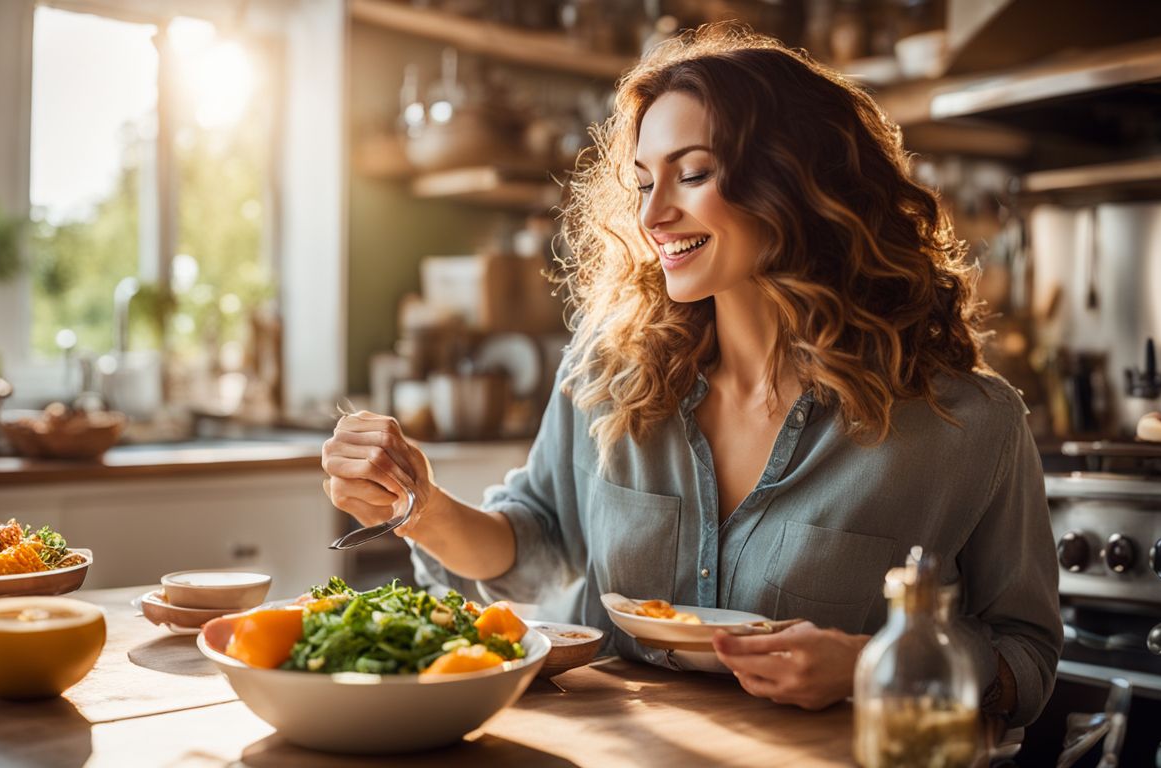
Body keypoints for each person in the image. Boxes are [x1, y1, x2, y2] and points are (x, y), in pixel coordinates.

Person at [322, 25, 1060, 728]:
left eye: (694, 173)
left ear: (797, 183)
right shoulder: (609, 369)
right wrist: (418, 504)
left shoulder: (969, 426)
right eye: (643, 182)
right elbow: (538, 541)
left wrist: (871, 667)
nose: (655, 213)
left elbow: (1024, 658)